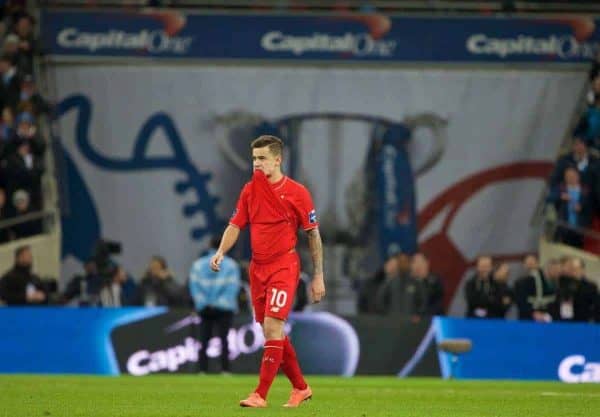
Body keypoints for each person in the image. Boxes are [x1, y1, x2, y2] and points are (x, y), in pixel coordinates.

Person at [210, 135, 325, 408]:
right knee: (270, 332)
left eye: (262, 159)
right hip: (257, 268)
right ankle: (301, 388)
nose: (257, 164)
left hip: (284, 266)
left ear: (277, 160)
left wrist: (318, 275)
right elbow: (236, 225)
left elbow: (313, 235)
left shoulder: (298, 193)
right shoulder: (250, 191)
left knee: (274, 327)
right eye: (254, 159)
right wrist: (221, 252)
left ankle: (259, 394)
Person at [189, 237, 241, 374]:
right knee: (224, 340)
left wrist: (203, 303)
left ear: (209, 245)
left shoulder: (198, 265)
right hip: (224, 309)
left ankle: (202, 370)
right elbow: (232, 288)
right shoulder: (231, 265)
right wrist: (220, 303)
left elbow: (195, 287)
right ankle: (225, 369)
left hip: (205, 308)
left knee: (204, 339)